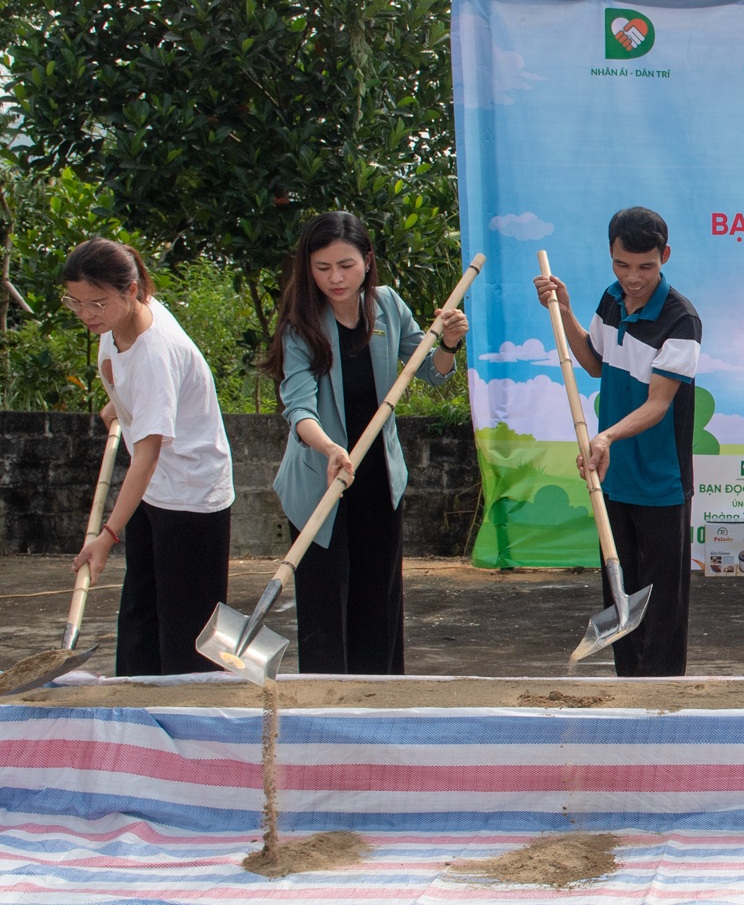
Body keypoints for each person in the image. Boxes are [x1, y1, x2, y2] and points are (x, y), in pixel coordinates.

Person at [265, 212, 468, 675]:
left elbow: (432, 373)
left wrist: (449, 342)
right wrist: (331, 449)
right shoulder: (301, 324)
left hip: (378, 476)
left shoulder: (388, 306)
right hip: (323, 476)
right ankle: (325, 709)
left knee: (378, 596)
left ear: (367, 261)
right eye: (321, 268)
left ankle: (380, 701)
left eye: (346, 265)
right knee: (324, 600)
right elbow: (299, 409)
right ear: (307, 268)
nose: (334, 278)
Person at [532, 206, 703, 676]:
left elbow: (658, 404)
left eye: (646, 266)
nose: (633, 278)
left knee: (662, 606)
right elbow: (592, 362)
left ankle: (663, 699)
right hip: (613, 478)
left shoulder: (681, 319)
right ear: (611, 256)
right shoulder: (611, 300)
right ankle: (627, 690)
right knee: (619, 597)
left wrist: (605, 435)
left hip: (661, 482)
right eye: (623, 265)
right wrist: (564, 311)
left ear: (664, 256)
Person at [62, 238, 234, 676]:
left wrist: (106, 535)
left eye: (97, 303)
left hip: (192, 494)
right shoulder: (121, 321)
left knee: (186, 630)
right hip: (154, 489)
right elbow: (130, 378)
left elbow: (147, 455)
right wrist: (120, 402)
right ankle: (136, 714)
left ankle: (191, 726)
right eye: (75, 302)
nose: (86, 314)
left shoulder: (156, 351)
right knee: (140, 612)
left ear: (133, 290)